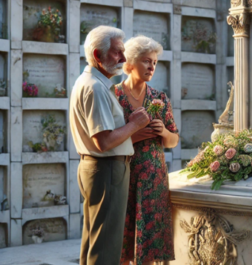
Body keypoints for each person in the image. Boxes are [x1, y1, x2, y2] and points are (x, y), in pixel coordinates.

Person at [69, 26, 151, 265]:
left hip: (97, 169)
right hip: (107, 170)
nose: (124, 59)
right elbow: (103, 141)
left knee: (95, 241)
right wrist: (135, 124)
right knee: (106, 246)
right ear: (97, 55)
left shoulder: (88, 82)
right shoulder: (95, 88)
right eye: (117, 53)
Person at [115, 36, 179, 265]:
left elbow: (173, 141)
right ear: (130, 63)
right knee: (121, 243)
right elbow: (106, 140)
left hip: (153, 181)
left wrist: (163, 131)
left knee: (150, 247)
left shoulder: (159, 98)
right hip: (122, 178)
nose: (152, 66)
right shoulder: (114, 96)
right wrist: (133, 135)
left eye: (154, 62)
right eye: (146, 61)